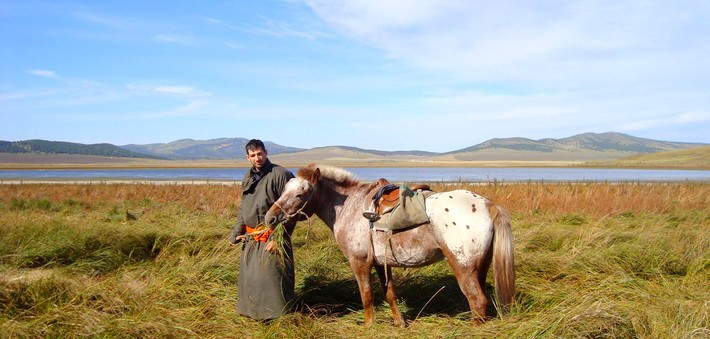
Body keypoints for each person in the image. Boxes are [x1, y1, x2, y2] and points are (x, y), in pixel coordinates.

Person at [229, 139, 295, 320]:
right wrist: (237, 230)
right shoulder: (248, 177)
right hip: (251, 238)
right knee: (252, 280)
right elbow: (245, 206)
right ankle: (253, 314)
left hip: (272, 237)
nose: (257, 158)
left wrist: (278, 238)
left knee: (273, 281)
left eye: (259, 154)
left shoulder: (281, 174)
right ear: (247, 157)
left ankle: (278, 319)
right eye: (253, 155)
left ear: (266, 153)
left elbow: (292, 209)